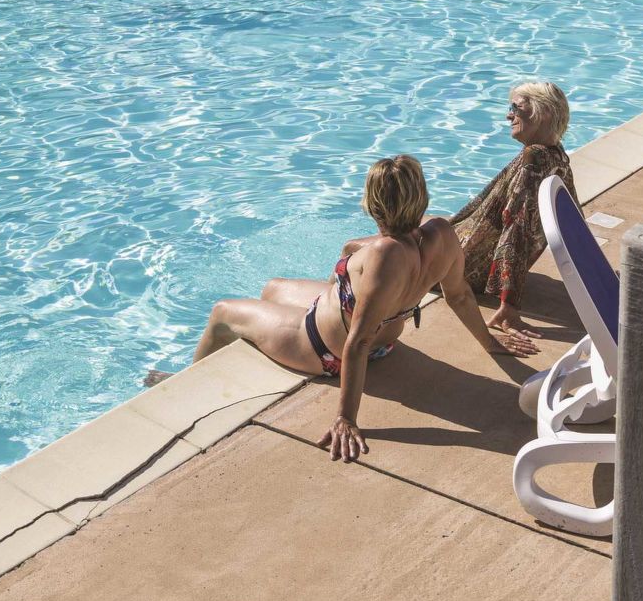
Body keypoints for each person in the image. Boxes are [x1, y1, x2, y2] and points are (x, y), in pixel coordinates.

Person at [187, 154, 539, 462]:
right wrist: (489, 342)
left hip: (325, 349)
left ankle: (185, 382)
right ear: (421, 196)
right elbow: (459, 295)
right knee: (272, 288)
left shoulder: (383, 257)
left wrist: (346, 418)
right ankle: (294, 321)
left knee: (222, 312)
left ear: (373, 204)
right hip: (385, 340)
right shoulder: (442, 233)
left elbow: (357, 342)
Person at [452, 81, 577, 333]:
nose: (509, 115)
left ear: (545, 112)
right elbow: (573, 218)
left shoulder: (534, 159)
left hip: (463, 263)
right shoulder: (557, 155)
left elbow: (517, 229)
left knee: (354, 247)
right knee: (423, 220)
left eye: (516, 107)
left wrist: (509, 305)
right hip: (468, 248)